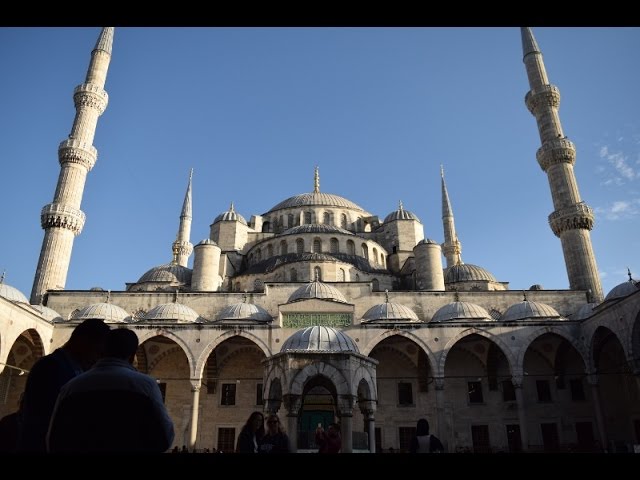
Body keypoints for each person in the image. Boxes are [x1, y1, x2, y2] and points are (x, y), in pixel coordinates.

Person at [46, 327, 175, 453]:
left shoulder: (72, 386)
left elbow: (53, 439)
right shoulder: (146, 386)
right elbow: (165, 436)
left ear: (102, 350)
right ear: (132, 356)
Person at [17, 318, 110, 452]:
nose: (97, 358)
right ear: (83, 342)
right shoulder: (51, 366)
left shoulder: (74, 367)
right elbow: (49, 416)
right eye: (97, 351)